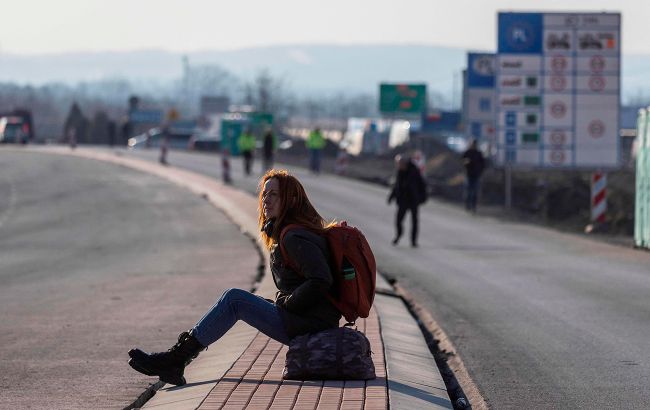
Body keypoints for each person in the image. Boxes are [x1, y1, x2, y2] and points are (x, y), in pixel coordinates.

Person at [128, 169, 342, 386]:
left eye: (274, 195)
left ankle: (176, 359)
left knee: (235, 300)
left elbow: (321, 280)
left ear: (291, 200)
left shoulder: (294, 236)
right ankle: (176, 359)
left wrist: (288, 303)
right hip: (307, 319)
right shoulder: (293, 232)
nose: (266, 200)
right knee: (232, 300)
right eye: (264, 194)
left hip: (310, 325)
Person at [387, 154, 426, 248]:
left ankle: (413, 241)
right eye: (398, 164)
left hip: (413, 200)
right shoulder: (400, 172)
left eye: (400, 164)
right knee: (398, 220)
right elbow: (396, 185)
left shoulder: (414, 171)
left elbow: (422, 185)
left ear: (405, 163)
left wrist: (422, 198)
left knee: (414, 221)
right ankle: (398, 235)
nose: (399, 166)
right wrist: (391, 197)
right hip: (403, 200)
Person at [462, 139, 485, 213]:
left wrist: (480, 171)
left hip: (476, 175)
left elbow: (483, 164)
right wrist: (466, 163)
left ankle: (473, 206)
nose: (473, 145)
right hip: (469, 174)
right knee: (468, 191)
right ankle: (467, 205)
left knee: (474, 192)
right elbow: (463, 160)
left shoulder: (478, 153)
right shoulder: (467, 152)